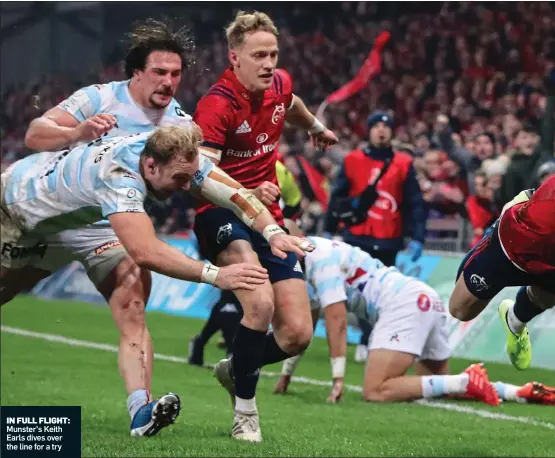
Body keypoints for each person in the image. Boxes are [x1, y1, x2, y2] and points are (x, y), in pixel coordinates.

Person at [0, 126, 311, 436]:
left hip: (89, 222)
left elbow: (237, 196)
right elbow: (145, 250)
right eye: (179, 179)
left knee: (132, 297)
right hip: (19, 212)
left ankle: (141, 411)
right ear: (150, 166)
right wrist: (217, 275)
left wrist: (273, 233)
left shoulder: (179, 156)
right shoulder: (119, 178)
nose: (188, 186)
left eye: (190, 176)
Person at [192, 11, 337, 442]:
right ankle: (245, 414)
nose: (268, 63)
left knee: (296, 334)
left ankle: (237, 365)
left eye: (273, 54)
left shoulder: (279, 84)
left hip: (269, 219)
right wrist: (253, 186)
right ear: (234, 57)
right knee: (258, 304)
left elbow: (289, 105)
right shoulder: (216, 104)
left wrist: (315, 126)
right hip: (220, 215)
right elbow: (202, 182)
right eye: (259, 55)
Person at [273, 224, 555, 407]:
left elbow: (335, 319)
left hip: (401, 304)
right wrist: (286, 377)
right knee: (438, 388)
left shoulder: (315, 258)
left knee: (376, 390)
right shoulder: (311, 256)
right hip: (422, 297)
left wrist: (338, 380)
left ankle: (467, 382)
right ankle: (519, 392)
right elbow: (308, 320)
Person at [450, 164, 555, 371]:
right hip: (515, 247)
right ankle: (491, 237)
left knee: (546, 299)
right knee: (460, 310)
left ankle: (514, 321)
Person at [324, 111, 427, 364]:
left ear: (392, 132)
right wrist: (328, 227)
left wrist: (418, 237)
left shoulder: (403, 163)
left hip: (388, 238)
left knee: (383, 293)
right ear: (368, 131)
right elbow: (337, 198)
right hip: (357, 236)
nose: (381, 130)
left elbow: (415, 203)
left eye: (386, 126)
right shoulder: (352, 160)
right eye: (376, 126)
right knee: (358, 292)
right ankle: (365, 337)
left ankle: (371, 339)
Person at [188, 160, 303, 366]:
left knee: (239, 297)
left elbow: (294, 202)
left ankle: (210, 344)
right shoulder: (223, 161)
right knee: (236, 294)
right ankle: (231, 352)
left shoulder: (278, 169)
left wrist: (282, 223)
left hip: (265, 234)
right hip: (226, 228)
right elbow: (205, 189)